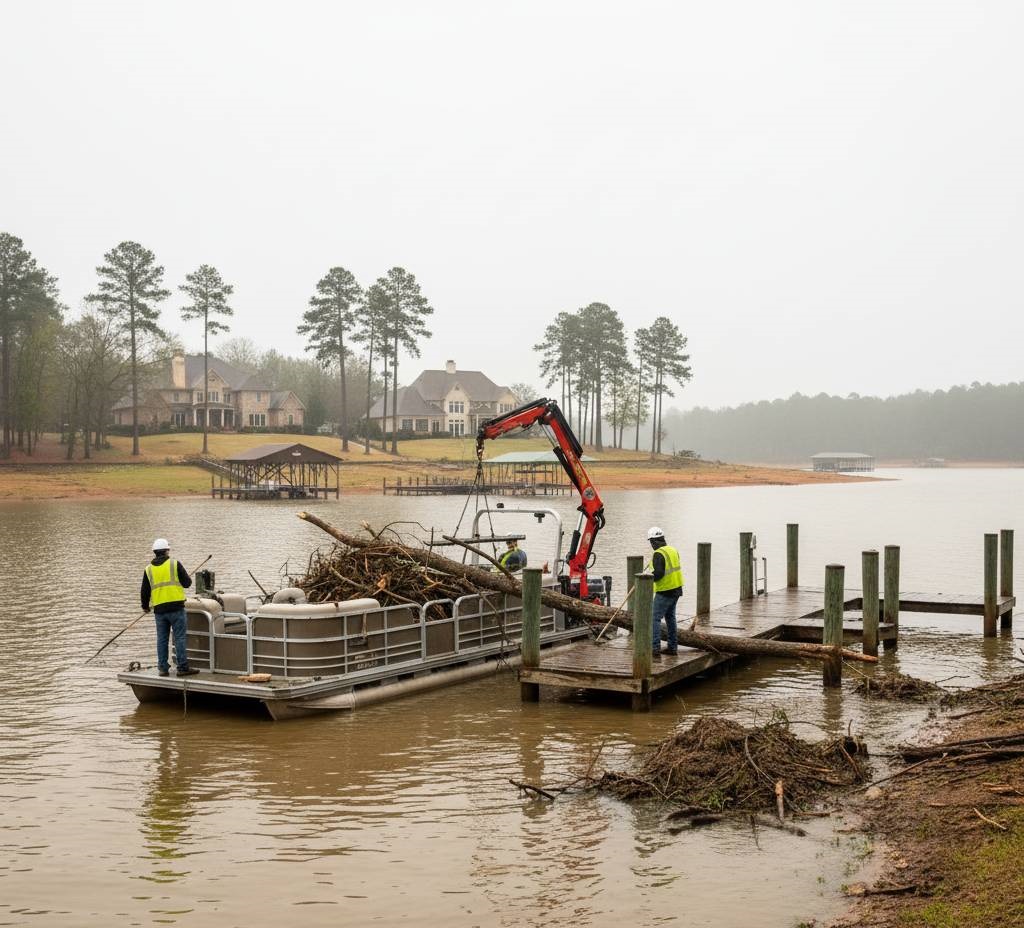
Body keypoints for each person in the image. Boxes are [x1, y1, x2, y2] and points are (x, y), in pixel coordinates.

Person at [141, 538, 198, 677]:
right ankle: (182, 668)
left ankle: (163, 668)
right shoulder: (174, 564)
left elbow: (144, 591)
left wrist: (145, 607)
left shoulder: (148, 569)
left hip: (159, 611)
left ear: (154, 552)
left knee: (162, 639)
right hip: (176, 609)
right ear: (167, 551)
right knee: (179, 638)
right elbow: (187, 583)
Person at [647, 526, 684, 659]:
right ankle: (672, 647)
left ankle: (654, 648)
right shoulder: (673, 550)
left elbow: (659, 574)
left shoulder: (658, 553)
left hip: (665, 591)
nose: (651, 545)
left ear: (653, 541)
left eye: (651, 542)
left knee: (654, 618)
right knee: (670, 618)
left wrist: (649, 577)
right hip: (677, 589)